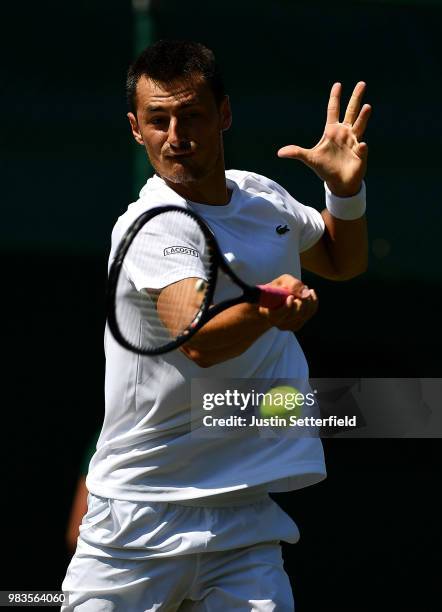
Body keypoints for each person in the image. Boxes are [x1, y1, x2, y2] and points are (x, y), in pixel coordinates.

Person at [61, 39, 370, 611]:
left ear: (223, 115)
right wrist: (268, 309)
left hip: (243, 518)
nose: (175, 135)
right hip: (136, 521)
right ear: (136, 128)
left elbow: (341, 260)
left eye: (192, 115)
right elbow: (197, 340)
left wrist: (344, 193)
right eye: (158, 120)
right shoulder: (150, 227)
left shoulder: (263, 198)